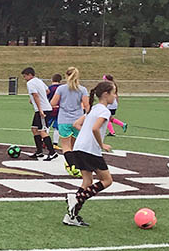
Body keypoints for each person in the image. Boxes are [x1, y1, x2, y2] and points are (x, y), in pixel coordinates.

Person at [64, 81, 117, 227]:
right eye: (114, 93)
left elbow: (76, 124)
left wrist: (86, 136)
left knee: (87, 182)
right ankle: (75, 198)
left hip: (80, 148)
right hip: (90, 150)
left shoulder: (93, 109)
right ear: (106, 94)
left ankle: (71, 217)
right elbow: (95, 128)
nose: (116, 96)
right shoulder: (104, 111)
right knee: (107, 181)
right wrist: (102, 145)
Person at [49, 67, 90, 177]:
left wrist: (60, 104)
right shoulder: (82, 89)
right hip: (77, 120)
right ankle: (74, 164)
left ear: (66, 76)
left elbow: (53, 103)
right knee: (74, 145)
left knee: (66, 147)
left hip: (64, 120)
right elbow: (87, 106)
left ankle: (72, 165)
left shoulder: (61, 89)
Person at [22, 67, 58, 160]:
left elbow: (36, 95)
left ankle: (52, 152)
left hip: (43, 109)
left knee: (42, 131)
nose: (24, 78)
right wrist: (34, 98)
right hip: (42, 109)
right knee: (34, 129)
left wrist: (40, 109)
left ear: (30, 75)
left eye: (25, 76)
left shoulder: (30, 83)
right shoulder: (39, 81)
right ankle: (39, 151)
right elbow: (47, 91)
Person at [47, 73, 62, 149]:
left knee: (47, 125)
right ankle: (55, 143)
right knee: (57, 127)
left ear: (52, 79)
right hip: (59, 109)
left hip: (50, 108)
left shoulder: (49, 88)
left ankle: (44, 141)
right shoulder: (62, 88)